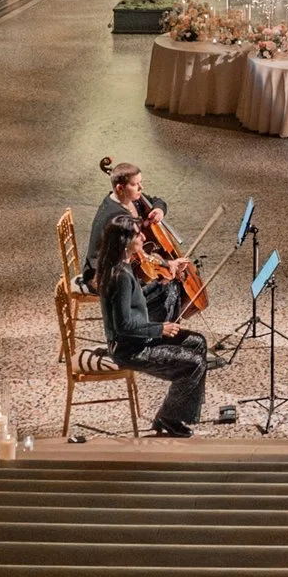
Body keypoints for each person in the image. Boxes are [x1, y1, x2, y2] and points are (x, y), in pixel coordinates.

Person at [95, 216, 209, 437]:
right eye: (138, 234)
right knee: (194, 363)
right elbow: (123, 325)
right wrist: (160, 329)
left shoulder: (123, 267)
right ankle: (168, 418)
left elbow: (137, 300)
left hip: (140, 337)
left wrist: (160, 283)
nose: (144, 237)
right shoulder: (120, 276)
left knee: (199, 343)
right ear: (125, 240)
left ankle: (178, 411)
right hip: (132, 349)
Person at [80, 157, 193, 321]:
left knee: (166, 281)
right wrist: (167, 265)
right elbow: (140, 257)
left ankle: (155, 326)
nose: (141, 187)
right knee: (167, 285)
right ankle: (147, 329)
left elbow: (156, 201)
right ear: (120, 188)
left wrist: (159, 210)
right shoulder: (116, 217)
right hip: (103, 276)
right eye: (135, 184)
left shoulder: (129, 199)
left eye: (140, 182)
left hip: (123, 265)